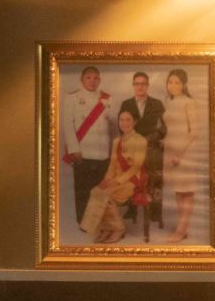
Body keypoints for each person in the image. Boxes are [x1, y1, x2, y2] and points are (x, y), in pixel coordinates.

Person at [61, 66, 117, 230]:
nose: (92, 81)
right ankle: (83, 222)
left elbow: (113, 125)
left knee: (101, 189)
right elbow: (68, 125)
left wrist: (113, 151)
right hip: (83, 152)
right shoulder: (72, 98)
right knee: (83, 190)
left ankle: (98, 220)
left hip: (103, 152)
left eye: (96, 78)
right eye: (88, 78)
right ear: (82, 79)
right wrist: (74, 149)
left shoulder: (107, 98)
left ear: (99, 80)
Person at [79, 110, 148, 243]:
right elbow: (112, 165)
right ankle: (106, 228)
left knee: (106, 194)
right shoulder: (117, 141)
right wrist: (107, 179)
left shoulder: (141, 140)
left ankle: (118, 229)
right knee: (96, 191)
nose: (124, 123)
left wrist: (117, 181)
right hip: (117, 179)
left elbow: (136, 167)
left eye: (128, 119)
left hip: (134, 180)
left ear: (135, 122)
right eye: (121, 120)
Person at [119, 72, 166, 223]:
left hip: (152, 148)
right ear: (133, 86)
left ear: (148, 86)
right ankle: (132, 209)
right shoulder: (126, 104)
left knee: (155, 179)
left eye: (143, 84)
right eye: (137, 84)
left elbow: (164, 127)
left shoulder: (157, 103)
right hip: (133, 148)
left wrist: (149, 139)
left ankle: (155, 211)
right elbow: (121, 126)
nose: (140, 87)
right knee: (132, 177)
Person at [161, 69, 200, 242]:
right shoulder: (168, 102)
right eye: (170, 82)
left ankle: (181, 229)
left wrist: (178, 153)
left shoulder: (189, 102)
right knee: (178, 191)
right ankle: (183, 228)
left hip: (185, 152)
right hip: (170, 152)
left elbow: (193, 131)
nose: (173, 85)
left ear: (184, 85)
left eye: (177, 82)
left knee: (187, 192)